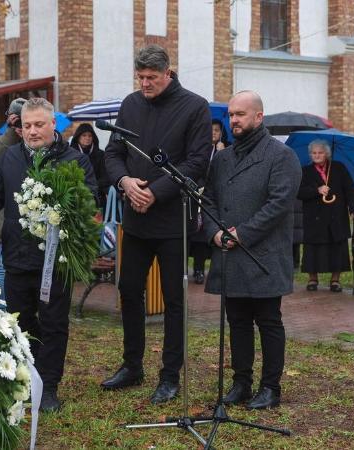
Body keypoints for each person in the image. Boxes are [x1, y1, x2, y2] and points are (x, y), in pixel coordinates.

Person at [0, 98, 97, 413]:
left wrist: (64, 210)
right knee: (21, 322)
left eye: (39, 124)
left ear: (53, 124)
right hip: (16, 256)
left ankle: (49, 387)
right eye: (27, 125)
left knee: (54, 323)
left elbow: (91, 199)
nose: (32, 131)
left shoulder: (74, 160)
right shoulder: (11, 157)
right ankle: (29, 376)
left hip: (56, 260)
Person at [101, 45, 211, 404]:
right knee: (129, 290)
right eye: (141, 77)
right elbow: (113, 153)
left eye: (151, 78)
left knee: (174, 300)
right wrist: (125, 183)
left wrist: (157, 192)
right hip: (134, 219)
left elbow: (197, 161)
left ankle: (170, 374)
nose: (145, 84)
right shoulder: (131, 104)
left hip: (172, 220)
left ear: (168, 73)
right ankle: (132, 365)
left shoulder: (194, 107)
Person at [203, 90, 301, 410]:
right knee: (238, 322)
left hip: (263, 255)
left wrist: (242, 233)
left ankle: (270, 387)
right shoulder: (223, 158)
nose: (233, 120)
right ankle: (241, 383)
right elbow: (209, 200)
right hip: (229, 253)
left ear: (259, 117)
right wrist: (214, 232)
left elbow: (279, 204)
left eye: (240, 115)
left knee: (269, 321)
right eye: (231, 115)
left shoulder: (280, 156)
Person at [298, 140, 354, 292]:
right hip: (314, 217)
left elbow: (350, 189)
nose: (317, 155)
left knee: (337, 247)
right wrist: (316, 190)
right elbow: (299, 192)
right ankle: (313, 279)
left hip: (336, 215)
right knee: (313, 249)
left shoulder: (339, 168)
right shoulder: (305, 171)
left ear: (327, 154)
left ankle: (335, 280)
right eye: (314, 153)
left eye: (320, 152)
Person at [0, 98, 27, 303]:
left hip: (28, 222)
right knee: (3, 268)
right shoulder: (2, 140)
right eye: (18, 120)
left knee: (11, 271)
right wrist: (11, 131)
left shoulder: (34, 142)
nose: (22, 126)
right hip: (5, 223)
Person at [189, 119, 230, 284]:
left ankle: (203, 270)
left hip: (216, 198)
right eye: (210, 129)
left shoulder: (226, 150)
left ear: (221, 133)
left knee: (210, 234)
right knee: (195, 234)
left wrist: (222, 154)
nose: (213, 133)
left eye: (217, 130)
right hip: (197, 194)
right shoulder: (200, 149)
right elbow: (195, 169)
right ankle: (192, 269)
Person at [70, 123, 110, 208]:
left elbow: (106, 177)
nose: (87, 138)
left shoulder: (101, 155)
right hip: (75, 196)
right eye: (84, 135)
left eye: (90, 136)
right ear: (78, 137)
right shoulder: (70, 155)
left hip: (97, 195)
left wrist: (92, 187)